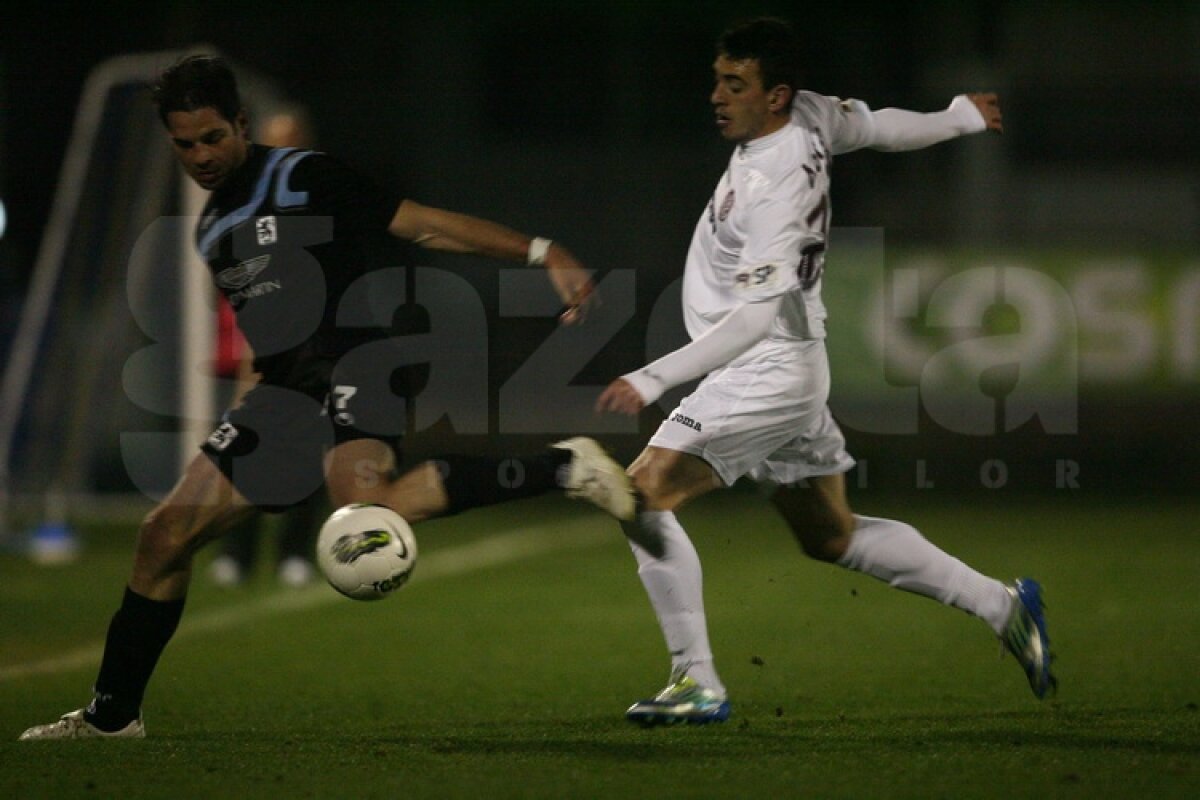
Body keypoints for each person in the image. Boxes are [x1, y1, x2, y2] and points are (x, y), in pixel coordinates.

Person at [19, 54, 633, 739]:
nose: (200, 156)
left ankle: (565, 464)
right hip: (284, 394)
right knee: (163, 536)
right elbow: (272, 330)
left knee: (365, 512)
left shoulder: (302, 174)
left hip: (358, 365)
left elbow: (423, 224)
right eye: (184, 144)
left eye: (212, 138)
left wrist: (541, 251)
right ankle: (112, 716)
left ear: (241, 124)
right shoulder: (209, 229)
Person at [594, 17, 1055, 726]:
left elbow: (750, 321)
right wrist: (957, 117)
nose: (717, 95)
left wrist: (652, 379)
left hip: (764, 367)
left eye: (735, 84)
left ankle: (698, 682)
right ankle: (1002, 604)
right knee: (830, 536)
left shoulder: (779, 183)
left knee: (643, 493)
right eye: (717, 79)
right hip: (790, 367)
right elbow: (875, 126)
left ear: (775, 95)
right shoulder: (806, 117)